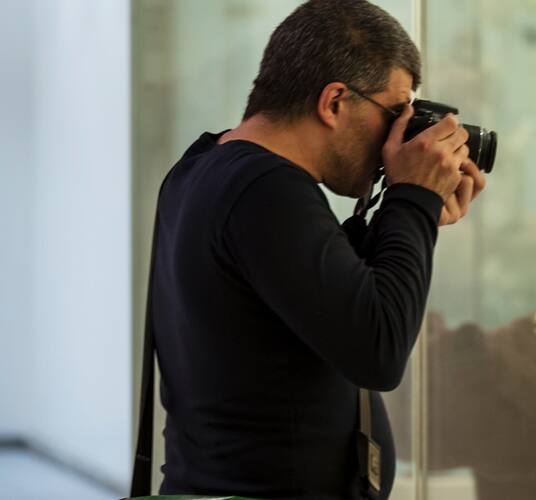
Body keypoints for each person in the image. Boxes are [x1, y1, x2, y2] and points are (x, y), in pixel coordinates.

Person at [147, 1, 484, 497]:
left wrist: (413, 211)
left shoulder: (205, 166)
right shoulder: (265, 189)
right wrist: (411, 201)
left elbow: (326, 300)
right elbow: (379, 350)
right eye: (395, 113)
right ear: (333, 102)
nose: (399, 136)